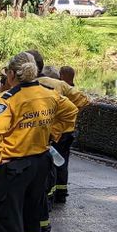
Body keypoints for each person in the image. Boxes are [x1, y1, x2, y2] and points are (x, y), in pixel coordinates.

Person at [0, 52, 77, 232]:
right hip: (40, 163)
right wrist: (52, 133)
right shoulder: (49, 94)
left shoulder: (8, 99)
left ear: (12, 74)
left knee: (8, 217)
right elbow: (71, 112)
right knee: (32, 216)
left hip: (13, 166)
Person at [38, 66, 90, 205]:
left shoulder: (37, 84)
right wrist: (71, 114)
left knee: (50, 163)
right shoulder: (62, 85)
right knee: (62, 162)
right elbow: (84, 100)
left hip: (51, 131)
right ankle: (61, 194)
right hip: (67, 131)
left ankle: (50, 196)